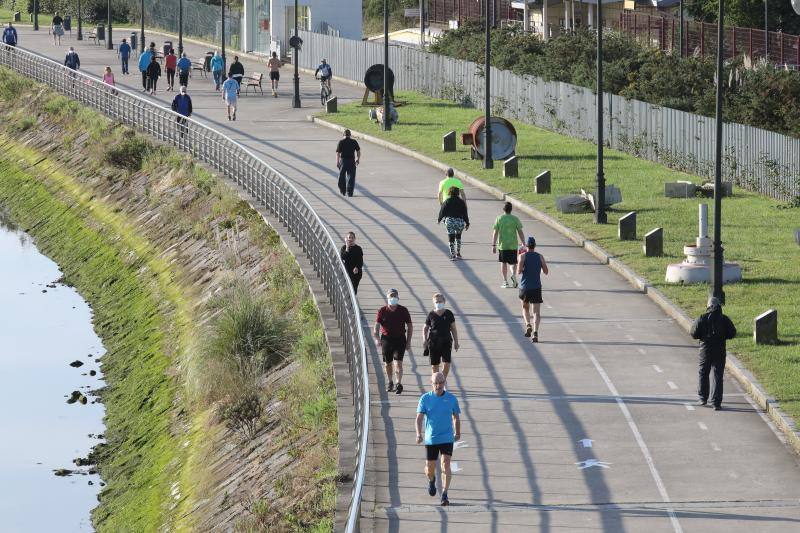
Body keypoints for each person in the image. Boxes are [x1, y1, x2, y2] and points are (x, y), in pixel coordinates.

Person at [415, 372, 461, 507]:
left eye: (441, 382)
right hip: (431, 439)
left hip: (447, 437)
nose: (438, 385)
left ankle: (445, 494)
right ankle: (431, 480)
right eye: (436, 383)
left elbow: (456, 417)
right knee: (430, 468)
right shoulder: (425, 399)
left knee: (446, 464)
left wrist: (457, 432)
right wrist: (418, 434)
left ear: (444, 382)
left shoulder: (452, 399)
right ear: (431, 383)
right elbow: (419, 418)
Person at [691, 297, 737, 411]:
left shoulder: (702, 318)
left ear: (708, 306)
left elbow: (693, 333)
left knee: (703, 372)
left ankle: (703, 397)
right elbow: (732, 333)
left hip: (705, 350)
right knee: (718, 375)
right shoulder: (724, 319)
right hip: (720, 350)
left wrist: (703, 336)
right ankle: (716, 402)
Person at [373, 288, 412, 395]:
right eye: (391, 296)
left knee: (398, 363)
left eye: (395, 296)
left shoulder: (403, 310)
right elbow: (376, 326)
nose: (393, 298)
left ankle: (398, 383)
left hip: (400, 339)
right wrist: (377, 338)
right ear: (387, 298)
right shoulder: (382, 311)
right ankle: (390, 382)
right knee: (387, 364)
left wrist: (408, 341)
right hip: (386, 339)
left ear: (398, 298)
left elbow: (409, 326)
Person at [517, 236, 549, 342]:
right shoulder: (540, 256)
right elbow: (546, 271)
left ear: (526, 245)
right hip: (536, 287)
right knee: (536, 312)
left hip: (524, 287)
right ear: (534, 245)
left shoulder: (522, 256)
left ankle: (528, 325)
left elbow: (518, 271)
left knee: (525, 308)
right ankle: (535, 332)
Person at [423, 294, 459, 378]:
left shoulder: (449, 313)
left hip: (446, 342)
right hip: (433, 343)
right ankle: (435, 382)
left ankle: (442, 380)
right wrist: (424, 340)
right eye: (436, 302)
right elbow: (425, 328)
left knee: (447, 364)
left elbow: (453, 328)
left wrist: (456, 342)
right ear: (433, 303)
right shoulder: (431, 314)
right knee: (434, 365)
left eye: (440, 301)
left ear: (444, 302)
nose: (438, 303)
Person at [492, 202, 525, 288]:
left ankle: (505, 281)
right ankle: (513, 275)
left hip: (503, 245)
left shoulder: (499, 218)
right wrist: (523, 243)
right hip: (513, 245)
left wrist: (493, 245)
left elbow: (495, 233)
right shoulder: (515, 219)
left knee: (503, 263)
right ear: (511, 209)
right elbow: (520, 232)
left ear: (503, 209)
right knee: (513, 263)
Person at [437, 186, 469, 261]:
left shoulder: (447, 201)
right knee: (458, 237)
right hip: (459, 221)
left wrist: (439, 219)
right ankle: (458, 253)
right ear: (458, 193)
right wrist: (467, 223)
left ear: (449, 192)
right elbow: (465, 213)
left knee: (451, 238)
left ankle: (453, 255)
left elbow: (442, 211)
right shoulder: (461, 202)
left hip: (450, 221)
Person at [335, 129, 361, 197]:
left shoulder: (341, 142)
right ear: (350, 135)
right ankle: (349, 192)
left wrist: (337, 162)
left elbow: (338, 153)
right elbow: (358, 151)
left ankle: (342, 191)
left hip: (343, 161)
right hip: (351, 161)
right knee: (351, 177)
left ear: (343, 135)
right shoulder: (354, 141)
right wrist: (358, 159)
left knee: (341, 177)